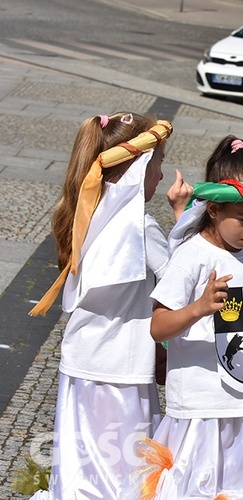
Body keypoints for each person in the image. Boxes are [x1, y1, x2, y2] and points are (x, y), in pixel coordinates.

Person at [129, 136, 243, 498]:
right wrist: (199, 308)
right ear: (215, 209)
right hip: (201, 405)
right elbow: (158, 327)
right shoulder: (192, 256)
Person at [28, 113, 173, 499]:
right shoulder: (140, 227)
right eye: (158, 162)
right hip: (122, 371)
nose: (161, 174)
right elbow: (180, 280)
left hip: (82, 366)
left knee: (83, 466)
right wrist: (186, 215)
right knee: (125, 471)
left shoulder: (86, 214)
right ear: (140, 166)